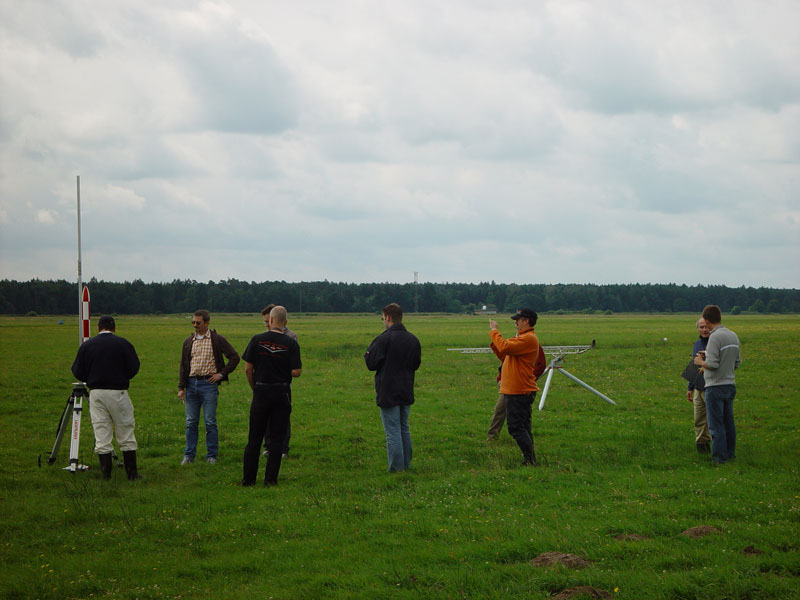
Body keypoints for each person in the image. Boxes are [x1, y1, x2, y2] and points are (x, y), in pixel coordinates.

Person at [70, 315, 141, 480]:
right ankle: (132, 474)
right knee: (125, 430)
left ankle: (106, 475)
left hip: (96, 392)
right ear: (114, 328)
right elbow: (134, 367)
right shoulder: (123, 344)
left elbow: (77, 371)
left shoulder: (87, 346)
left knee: (101, 432)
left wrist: (91, 378)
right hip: (118, 392)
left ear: (98, 328)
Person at [241, 306, 302, 486]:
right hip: (281, 392)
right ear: (285, 322)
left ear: (271, 320)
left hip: (261, 390)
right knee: (277, 439)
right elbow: (296, 372)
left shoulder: (257, 339)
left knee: (254, 438)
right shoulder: (291, 343)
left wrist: (255, 387)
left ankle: (248, 480)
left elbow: (248, 368)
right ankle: (270, 480)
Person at [178, 309, 240, 465]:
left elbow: (234, 357)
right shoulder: (188, 341)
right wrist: (181, 387)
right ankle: (188, 456)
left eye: (198, 322)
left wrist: (221, 374)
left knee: (210, 422)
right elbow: (183, 366)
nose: (195, 325)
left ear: (207, 322)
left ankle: (211, 456)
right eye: (193, 322)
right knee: (191, 422)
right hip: (191, 384)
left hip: (209, 385)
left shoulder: (217, 339)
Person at [365, 303, 421, 472]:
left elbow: (370, 364)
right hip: (406, 388)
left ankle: (396, 469)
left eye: (383, 318)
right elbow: (416, 364)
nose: (383, 321)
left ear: (388, 317)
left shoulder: (383, 339)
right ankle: (406, 465)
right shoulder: (413, 339)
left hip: (388, 390)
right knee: (404, 427)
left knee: (392, 430)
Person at [489, 308, 541, 465]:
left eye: (518, 320)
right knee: (523, 427)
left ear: (526, 321)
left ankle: (529, 459)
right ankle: (530, 459)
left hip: (519, 390)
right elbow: (505, 354)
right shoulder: (523, 338)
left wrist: (494, 331)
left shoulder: (528, 339)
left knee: (516, 427)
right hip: (517, 389)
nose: (516, 323)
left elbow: (505, 347)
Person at [693, 304, 741, 464]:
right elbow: (737, 362)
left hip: (715, 386)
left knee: (715, 425)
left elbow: (712, 364)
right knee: (729, 423)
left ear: (707, 320)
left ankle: (719, 458)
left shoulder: (715, 337)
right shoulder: (733, 335)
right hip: (730, 385)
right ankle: (730, 453)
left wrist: (700, 362)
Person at [260, 303, 298, 458]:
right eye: (264, 322)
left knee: (283, 416)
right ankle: (268, 446)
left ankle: (283, 448)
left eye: (267, 321)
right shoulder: (263, 337)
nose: (266, 325)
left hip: (282, 384)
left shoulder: (291, 337)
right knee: (266, 416)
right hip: (265, 383)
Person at [486, 344, 546, 441]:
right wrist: (501, 379)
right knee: (500, 409)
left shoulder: (532, 344)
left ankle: (526, 437)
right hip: (509, 386)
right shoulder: (512, 343)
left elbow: (541, 365)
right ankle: (492, 436)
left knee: (524, 413)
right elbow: (505, 362)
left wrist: (529, 379)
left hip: (524, 387)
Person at [687, 317, 711, 453]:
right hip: (698, 388)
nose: (704, 330)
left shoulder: (715, 343)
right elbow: (694, 365)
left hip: (712, 387)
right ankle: (702, 449)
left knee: (713, 420)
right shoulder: (697, 344)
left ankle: (720, 448)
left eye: (707, 327)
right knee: (699, 420)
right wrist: (690, 387)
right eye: (701, 327)